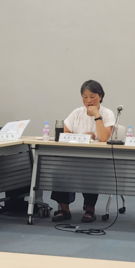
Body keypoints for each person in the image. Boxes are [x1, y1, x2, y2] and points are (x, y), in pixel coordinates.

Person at [51, 80, 115, 224]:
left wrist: (97, 115)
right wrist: (82, 137)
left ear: (100, 96)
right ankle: (64, 209)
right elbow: (64, 134)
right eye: (85, 97)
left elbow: (104, 138)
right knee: (59, 170)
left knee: (90, 170)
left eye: (92, 97)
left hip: (96, 159)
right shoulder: (77, 113)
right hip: (73, 157)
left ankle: (90, 209)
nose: (88, 101)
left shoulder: (107, 113)